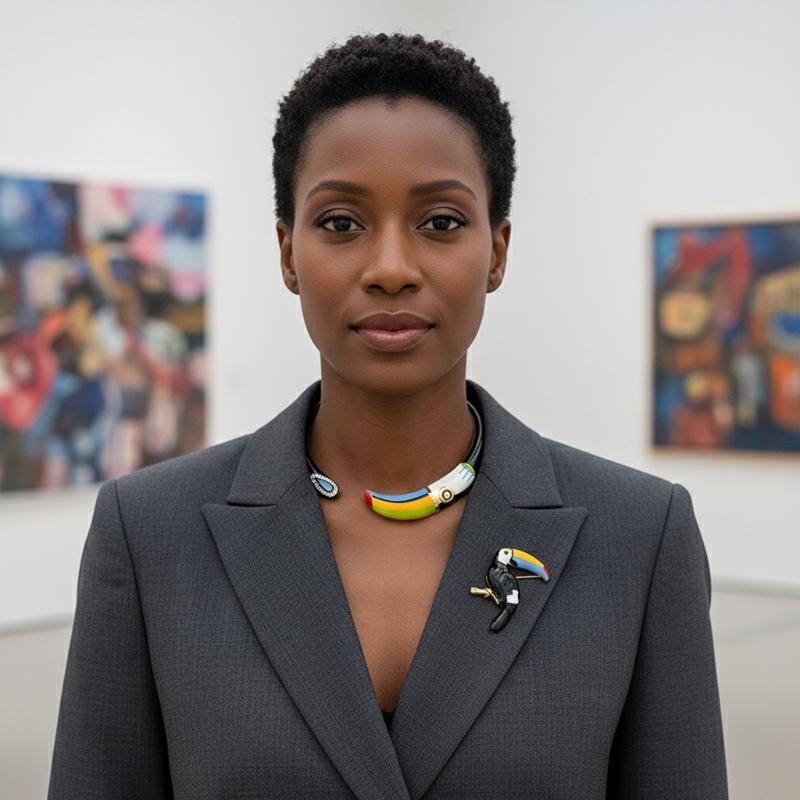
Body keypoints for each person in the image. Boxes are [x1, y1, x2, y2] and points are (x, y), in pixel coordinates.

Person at [48, 32, 729, 799]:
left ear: (497, 252)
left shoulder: (638, 538)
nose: (392, 269)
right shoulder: (149, 535)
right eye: (341, 223)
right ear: (288, 254)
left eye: (441, 222)